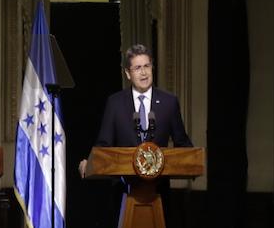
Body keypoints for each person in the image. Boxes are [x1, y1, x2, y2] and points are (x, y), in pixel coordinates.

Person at [78, 44, 192, 178]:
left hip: (158, 185)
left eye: (147, 66)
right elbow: (104, 144)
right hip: (125, 185)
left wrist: (193, 159)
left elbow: (182, 143)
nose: (143, 73)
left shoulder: (169, 102)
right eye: (137, 68)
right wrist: (90, 162)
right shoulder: (115, 103)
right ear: (128, 73)